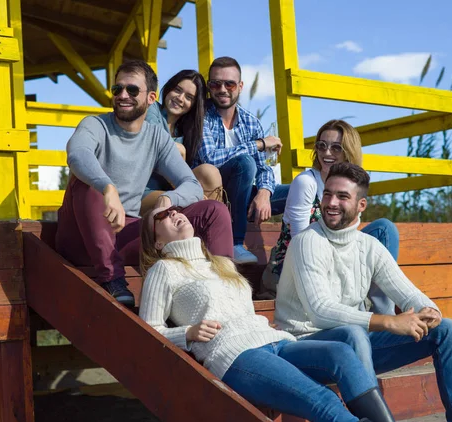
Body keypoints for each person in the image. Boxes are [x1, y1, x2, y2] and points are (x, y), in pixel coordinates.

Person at [138, 205, 412, 422]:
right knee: (322, 400)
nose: (174, 213)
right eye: (162, 215)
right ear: (158, 242)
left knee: (341, 354)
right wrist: (186, 333)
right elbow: (147, 333)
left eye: (176, 208)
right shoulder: (163, 270)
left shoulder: (221, 263)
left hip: (274, 340)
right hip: (235, 354)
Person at [274, 162, 452, 422]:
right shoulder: (307, 242)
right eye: (327, 194)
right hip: (305, 346)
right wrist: (387, 321)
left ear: (361, 204)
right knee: (352, 334)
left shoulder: (368, 246)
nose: (331, 203)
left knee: (447, 329)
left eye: (342, 197)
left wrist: (429, 311)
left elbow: (408, 293)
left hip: (356, 347)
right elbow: (320, 309)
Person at [55, 60, 233, 306]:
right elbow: (77, 154)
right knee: (86, 182)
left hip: (126, 231)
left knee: (214, 210)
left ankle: (225, 285)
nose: (123, 95)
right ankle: (112, 279)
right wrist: (107, 188)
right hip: (80, 235)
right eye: (117, 89)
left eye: (132, 90)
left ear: (151, 98)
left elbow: (191, 184)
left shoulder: (156, 136)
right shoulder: (95, 124)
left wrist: (168, 199)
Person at [262, 119, 399, 316]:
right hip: (296, 266)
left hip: (337, 261)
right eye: (322, 146)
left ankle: (383, 316)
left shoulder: (351, 185)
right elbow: (301, 243)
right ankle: (369, 314)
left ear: (349, 151)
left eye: (336, 148)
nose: (327, 153)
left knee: (384, 230)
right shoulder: (306, 182)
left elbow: (349, 236)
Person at [196, 56, 289, 265]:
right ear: (209, 86)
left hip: (243, 198)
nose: (222, 89)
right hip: (212, 196)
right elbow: (210, 158)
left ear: (240, 86)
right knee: (245, 163)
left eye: (229, 83)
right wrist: (258, 144)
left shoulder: (250, 122)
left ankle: (287, 253)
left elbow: (263, 169)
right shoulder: (201, 115)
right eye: (215, 83)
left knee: (299, 189)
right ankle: (235, 243)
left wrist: (264, 194)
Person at [141, 70, 224, 214]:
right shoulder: (152, 109)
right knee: (178, 150)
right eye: (177, 90)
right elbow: (158, 145)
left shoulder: (186, 132)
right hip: (144, 190)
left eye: (189, 97)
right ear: (169, 88)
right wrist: (190, 193)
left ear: (194, 104)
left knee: (209, 172)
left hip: (174, 191)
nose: (180, 98)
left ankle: (216, 224)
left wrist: (189, 192)